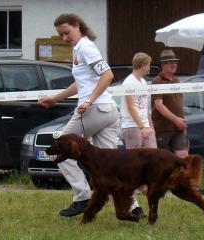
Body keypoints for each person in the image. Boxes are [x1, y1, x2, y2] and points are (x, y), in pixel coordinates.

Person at [38, 13, 119, 217]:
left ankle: (82, 197)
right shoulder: (81, 48)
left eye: (67, 33)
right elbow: (81, 83)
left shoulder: (85, 47)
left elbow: (108, 75)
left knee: (61, 152)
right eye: (61, 35)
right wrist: (56, 98)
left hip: (93, 110)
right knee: (109, 161)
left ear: (78, 25)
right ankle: (132, 206)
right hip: (108, 110)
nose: (65, 38)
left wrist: (88, 100)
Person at [121, 52, 157, 218]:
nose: (149, 67)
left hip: (145, 126)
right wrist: (142, 126)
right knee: (133, 166)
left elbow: (146, 108)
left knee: (152, 161)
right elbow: (131, 107)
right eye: (148, 64)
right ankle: (130, 200)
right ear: (143, 65)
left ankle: (147, 190)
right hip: (132, 126)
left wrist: (150, 126)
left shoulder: (143, 82)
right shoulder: (129, 82)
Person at [151, 49, 189, 158]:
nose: (174, 64)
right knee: (164, 160)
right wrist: (175, 119)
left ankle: (181, 176)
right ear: (163, 65)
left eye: (175, 62)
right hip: (163, 128)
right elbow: (158, 105)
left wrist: (180, 120)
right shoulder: (157, 81)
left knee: (183, 156)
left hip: (179, 127)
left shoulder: (177, 80)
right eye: (170, 62)